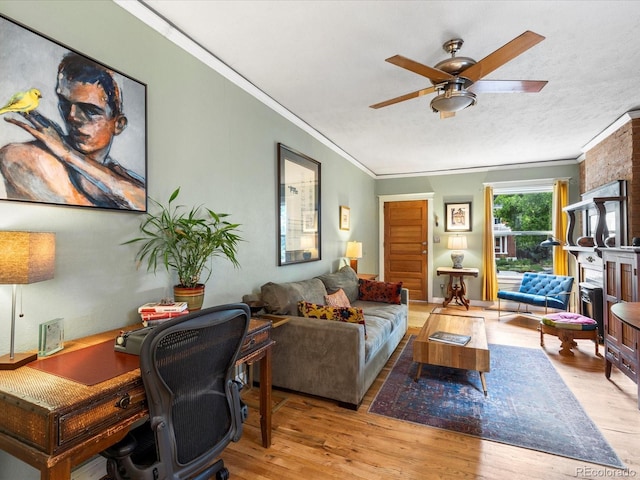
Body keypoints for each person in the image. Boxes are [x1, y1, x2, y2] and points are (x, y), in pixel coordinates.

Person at [0, 52, 145, 210]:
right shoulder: (26, 156)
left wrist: (68, 152)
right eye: (65, 104)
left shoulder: (120, 174)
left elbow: (145, 202)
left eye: (90, 110)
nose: (72, 116)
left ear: (118, 125)